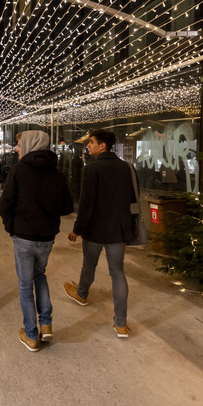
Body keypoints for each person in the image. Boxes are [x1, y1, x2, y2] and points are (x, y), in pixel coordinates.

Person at [0, 130, 74, 352]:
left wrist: (10, 228)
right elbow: (67, 207)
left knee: (25, 285)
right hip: (47, 236)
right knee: (40, 276)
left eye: (20, 144)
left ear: (31, 144)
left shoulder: (20, 170)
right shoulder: (57, 173)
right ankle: (46, 324)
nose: (18, 148)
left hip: (24, 236)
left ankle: (31, 334)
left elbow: (6, 203)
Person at [65, 129, 135, 338]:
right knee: (118, 273)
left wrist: (77, 230)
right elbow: (131, 198)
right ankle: (121, 324)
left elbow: (86, 204)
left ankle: (82, 294)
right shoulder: (125, 168)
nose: (88, 146)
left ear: (102, 145)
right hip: (118, 230)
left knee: (89, 264)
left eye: (92, 142)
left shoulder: (93, 169)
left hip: (96, 228)